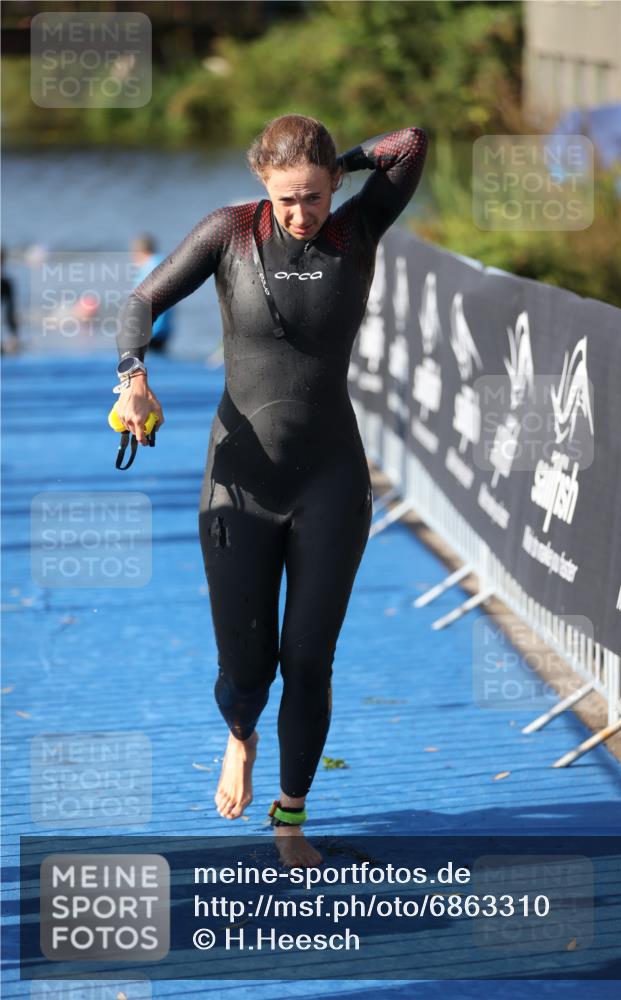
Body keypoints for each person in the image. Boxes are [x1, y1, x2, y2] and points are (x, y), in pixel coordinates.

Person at [114, 115, 428, 867]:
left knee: (309, 661)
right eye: (287, 198)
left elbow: (410, 142)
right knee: (245, 673)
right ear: (262, 182)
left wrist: (346, 165)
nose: (300, 213)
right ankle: (239, 736)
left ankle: (290, 816)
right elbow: (140, 303)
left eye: (314, 195)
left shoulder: (356, 231)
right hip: (240, 482)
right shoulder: (229, 232)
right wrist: (133, 379)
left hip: (330, 478)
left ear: (332, 185)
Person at [130, 235, 173, 353]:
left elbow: (140, 300)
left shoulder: (148, 268)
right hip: (164, 330)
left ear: (140, 252)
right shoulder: (166, 262)